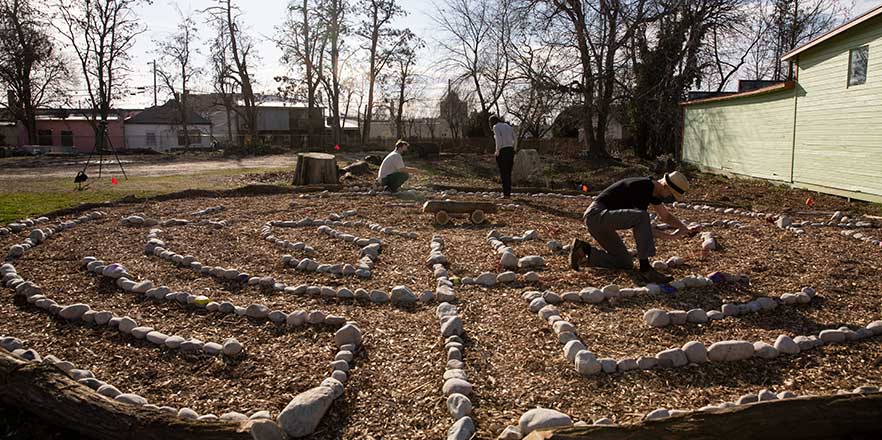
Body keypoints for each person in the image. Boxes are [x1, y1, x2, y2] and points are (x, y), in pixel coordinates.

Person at [569, 171, 699, 284]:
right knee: (642, 217)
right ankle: (645, 268)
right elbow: (642, 226)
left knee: (625, 262)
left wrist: (684, 228)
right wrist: (671, 236)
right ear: (665, 187)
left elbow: (666, 217)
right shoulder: (643, 187)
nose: (667, 198)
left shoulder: (652, 191)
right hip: (596, 216)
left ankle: (583, 250)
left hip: (601, 221)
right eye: (670, 195)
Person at [489, 115, 516, 198]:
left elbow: (498, 140)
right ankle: (508, 193)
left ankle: (506, 194)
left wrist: (497, 152)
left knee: (503, 173)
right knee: (508, 173)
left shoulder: (496, 127)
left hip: (503, 151)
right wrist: (514, 149)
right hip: (510, 150)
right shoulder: (508, 126)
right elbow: (515, 138)